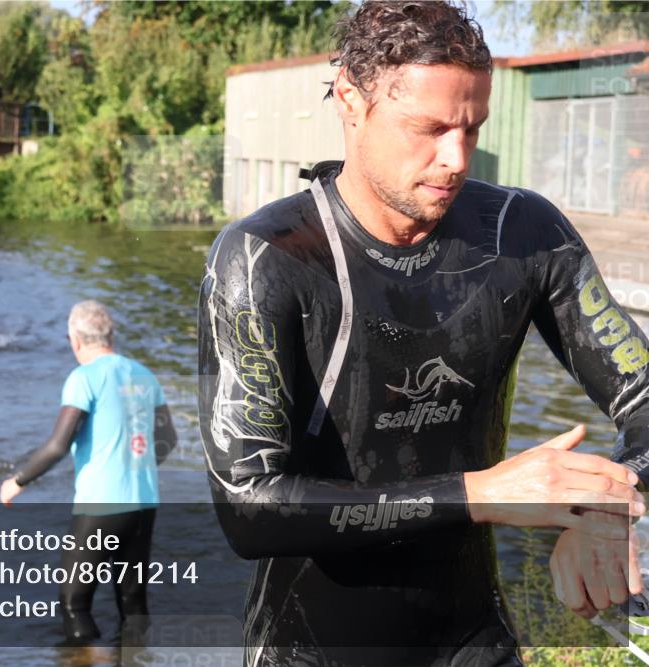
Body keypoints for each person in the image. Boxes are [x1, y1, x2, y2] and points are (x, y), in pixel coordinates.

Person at [197, 2, 649, 665]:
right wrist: (481, 494)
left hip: (474, 643)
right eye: (429, 128)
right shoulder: (266, 258)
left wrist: (610, 503)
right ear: (351, 100)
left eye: (472, 127)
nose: (456, 158)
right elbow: (249, 507)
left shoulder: (523, 234)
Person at [0, 300, 178, 643]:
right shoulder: (144, 374)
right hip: (144, 502)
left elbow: (58, 445)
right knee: (133, 602)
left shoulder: (84, 378)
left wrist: (17, 481)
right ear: (110, 335)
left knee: (74, 603)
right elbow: (168, 439)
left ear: (76, 339)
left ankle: (83, 658)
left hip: (101, 505)